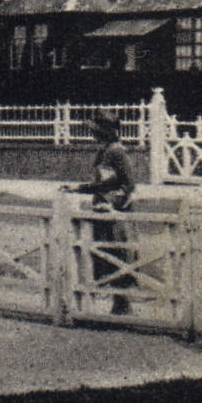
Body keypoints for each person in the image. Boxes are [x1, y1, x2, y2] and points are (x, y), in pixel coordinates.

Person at [64, 108, 137, 314]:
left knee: (118, 254)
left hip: (115, 215)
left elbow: (129, 186)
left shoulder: (117, 151)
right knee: (104, 255)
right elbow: (100, 183)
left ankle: (123, 304)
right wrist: (78, 188)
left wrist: (113, 205)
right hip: (102, 212)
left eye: (97, 130)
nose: (94, 134)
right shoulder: (104, 151)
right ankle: (117, 303)